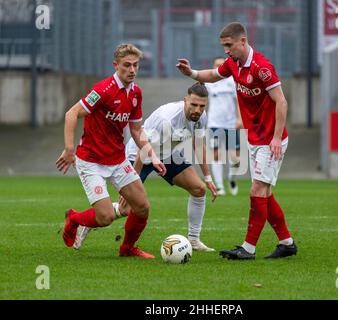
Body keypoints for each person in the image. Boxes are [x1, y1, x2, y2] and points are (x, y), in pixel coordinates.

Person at [176, 22, 297, 259]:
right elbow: (211, 75)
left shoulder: (262, 68)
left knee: (257, 189)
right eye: (223, 46)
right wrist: (191, 73)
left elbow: (281, 102)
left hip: (270, 140)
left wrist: (275, 138)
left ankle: (248, 248)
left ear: (243, 41)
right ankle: (287, 242)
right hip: (255, 138)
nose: (226, 51)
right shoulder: (234, 64)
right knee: (265, 193)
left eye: (229, 45)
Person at [73, 82, 218, 252]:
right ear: (185, 100)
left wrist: (208, 177)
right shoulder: (167, 119)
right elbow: (144, 148)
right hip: (139, 155)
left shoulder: (201, 117)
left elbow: (199, 144)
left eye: (202, 106)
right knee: (127, 208)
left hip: (166, 154)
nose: (197, 110)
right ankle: (84, 223)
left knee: (199, 189)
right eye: (194, 104)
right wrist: (131, 180)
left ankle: (194, 240)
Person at [55, 43, 166, 259]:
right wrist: (69, 149)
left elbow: (136, 129)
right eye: (127, 65)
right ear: (116, 65)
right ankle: (75, 219)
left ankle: (127, 249)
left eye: (136, 65)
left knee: (142, 207)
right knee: (105, 217)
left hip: (117, 160)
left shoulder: (135, 93)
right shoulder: (102, 90)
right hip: (91, 161)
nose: (132, 70)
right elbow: (71, 114)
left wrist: (152, 155)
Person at [205, 56, 243, 196]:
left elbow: (238, 101)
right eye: (216, 65)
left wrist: (239, 119)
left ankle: (232, 178)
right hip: (214, 124)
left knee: (236, 157)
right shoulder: (210, 83)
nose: (219, 67)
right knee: (216, 154)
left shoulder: (232, 81)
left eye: (221, 65)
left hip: (231, 123)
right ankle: (220, 186)